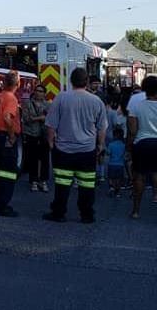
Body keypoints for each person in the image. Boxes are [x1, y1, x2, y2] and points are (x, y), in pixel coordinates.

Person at [42, 68, 108, 224]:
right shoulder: (96, 101)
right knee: (87, 185)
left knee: (62, 184)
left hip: (64, 150)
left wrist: (51, 142)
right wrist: (101, 145)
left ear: (71, 81)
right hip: (87, 151)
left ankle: (58, 213)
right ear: (86, 82)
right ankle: (87, 215)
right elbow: (102, 127)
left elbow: (51, 124)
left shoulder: (61, 98)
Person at [0, 71, 22, 217]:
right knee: (8, 173)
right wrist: (11, 136)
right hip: (6, 138)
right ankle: (3, 205)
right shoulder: (11, 98)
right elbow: (7, 118)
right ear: (17, 84)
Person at [126, 75, 157, 219]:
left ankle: (136, 210)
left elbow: (132, 131)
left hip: (142, 144)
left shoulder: (137, 106)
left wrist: (129, 147)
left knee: (139, 177)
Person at [22, 84, 50, 192]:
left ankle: (43, 181)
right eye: (37, 91)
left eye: (41, 91)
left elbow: (51, 119)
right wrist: (40, 118)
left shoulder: (48, 105)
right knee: (32, 158)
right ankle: (33, 181)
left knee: (45, 159)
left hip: (44, 135)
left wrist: (36, 118)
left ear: (44, 93)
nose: (39, 93)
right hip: (31, 134)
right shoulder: (27, 104)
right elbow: (26, 118)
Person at [106, 127, 126, 197]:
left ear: (114, 135)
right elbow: (125, 154)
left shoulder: (111, 144)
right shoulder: (123, 145)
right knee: (118, 179)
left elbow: (108, 153)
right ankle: (117, 192)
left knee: (111, 177)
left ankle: (111, 186)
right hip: (120, 165)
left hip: (112, 164)